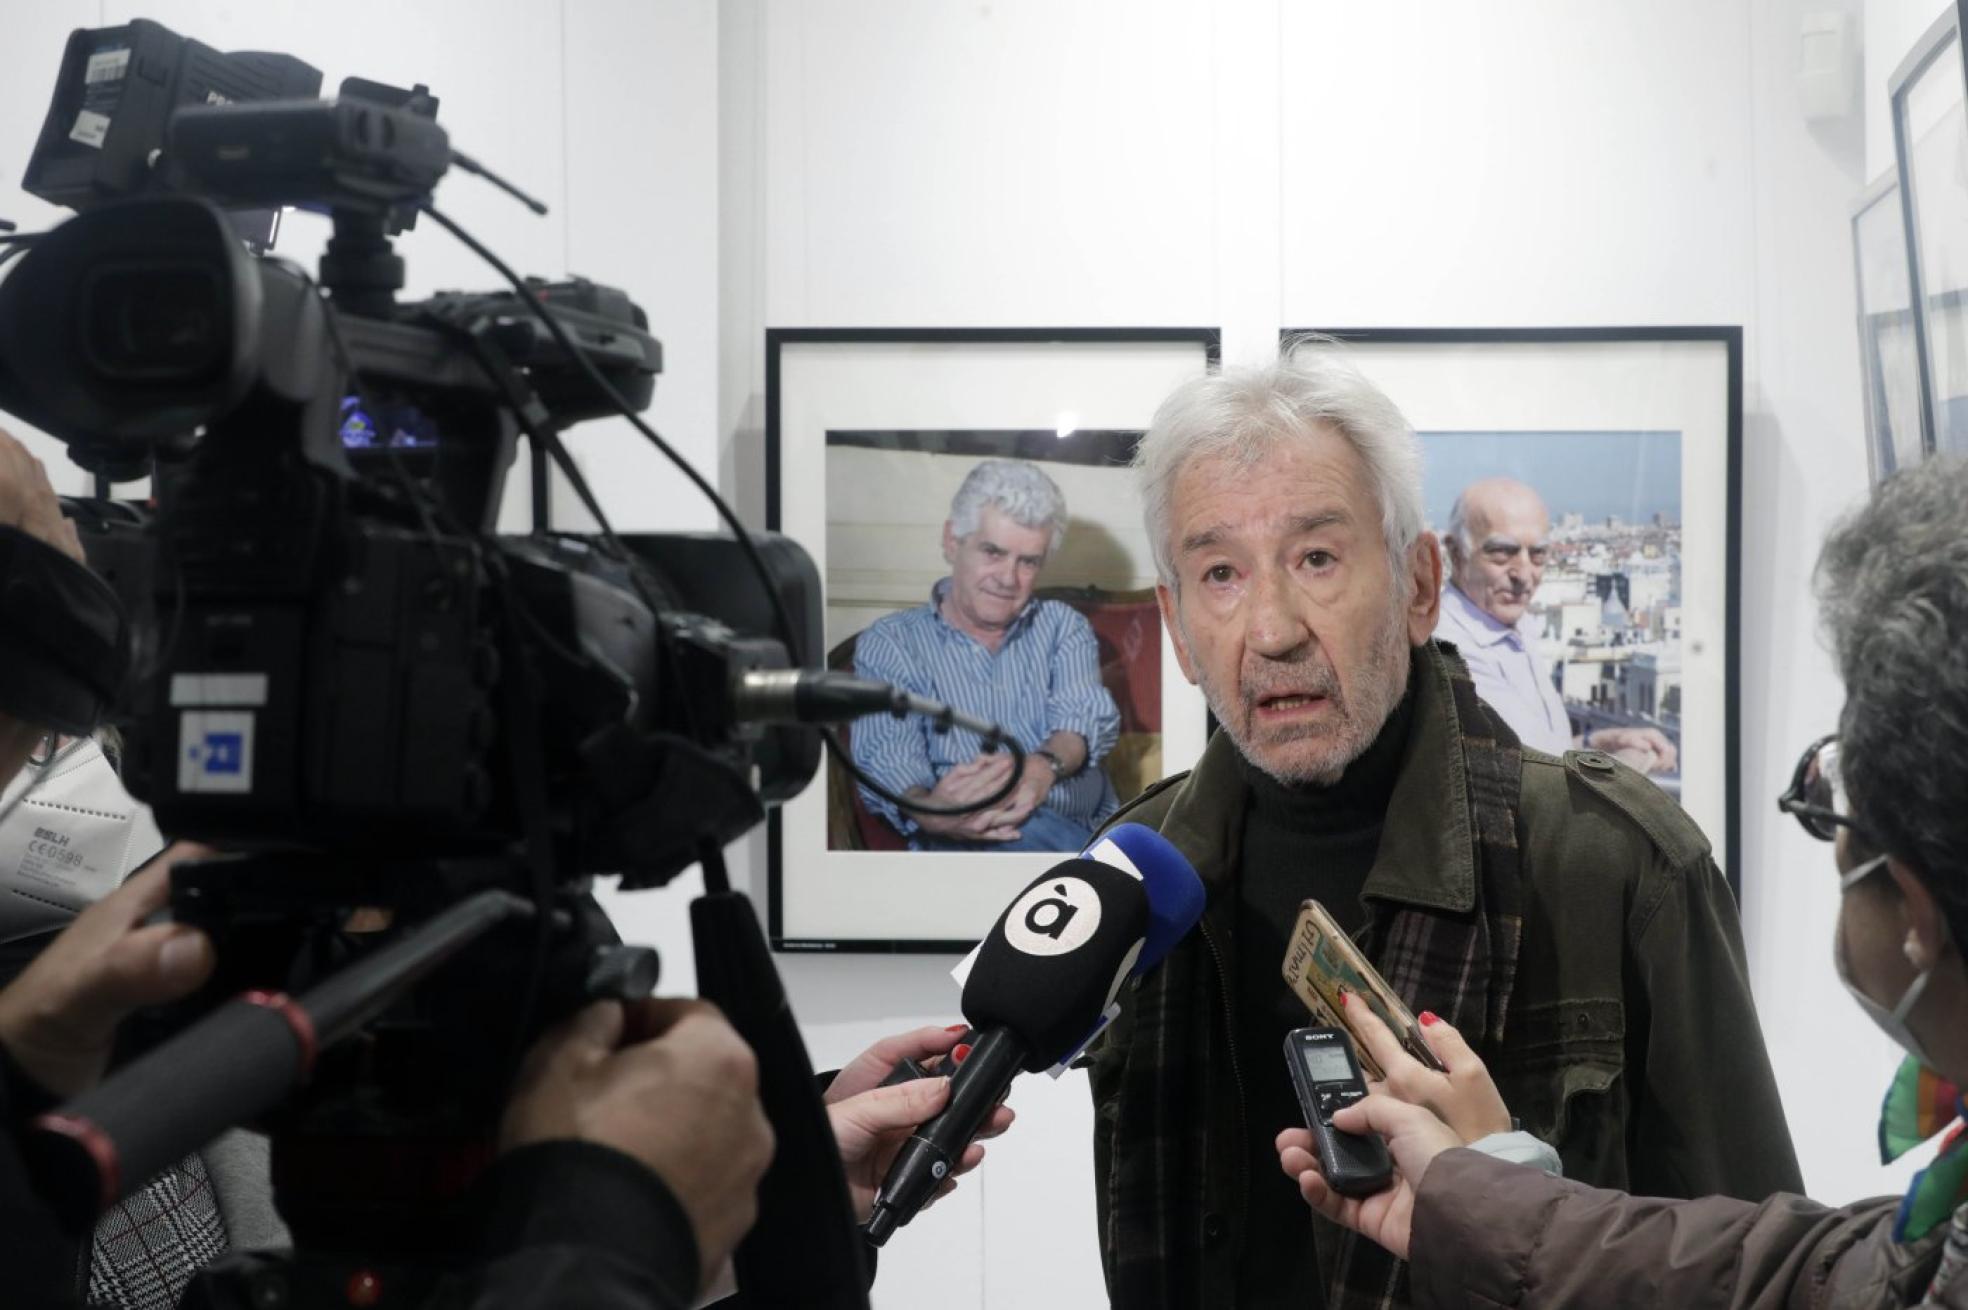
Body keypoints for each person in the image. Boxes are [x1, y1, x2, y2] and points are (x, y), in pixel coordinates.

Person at [1085, 351, 1800, 1309]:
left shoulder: (1614, 862)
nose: (1272, 627)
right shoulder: (1137, 872)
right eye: (1220, 573)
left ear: (1421, 584)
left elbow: (1764, 1273)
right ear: (1175, 627)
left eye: (1317, 558)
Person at [1278, 455, 1968, 1309]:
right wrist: (1495, 1181)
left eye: (1835, 804)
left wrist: (1493, 1184)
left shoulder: (1625, 854)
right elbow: (1783, 1272)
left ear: (1917, 912)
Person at [852, 458, 1122, 851]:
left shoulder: (1064, 627)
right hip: (962, 845)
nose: (1008, 579)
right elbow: (888, 753)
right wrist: (932, 810)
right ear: (952, 540)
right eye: (993, 552)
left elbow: (1081, 719)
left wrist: (1040, 768)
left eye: (1028, 561)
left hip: (1074, 836)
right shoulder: (892, 642)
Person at [1433, 476, 1677, 773]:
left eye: (1537, 555)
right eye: (1501, 553)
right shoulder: (1450, 650)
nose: (1524, 574)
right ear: (1456, 554)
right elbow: (1538, 785)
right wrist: (1633, 766)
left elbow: (1539, 755)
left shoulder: (1518, 627)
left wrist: (1599, 739)